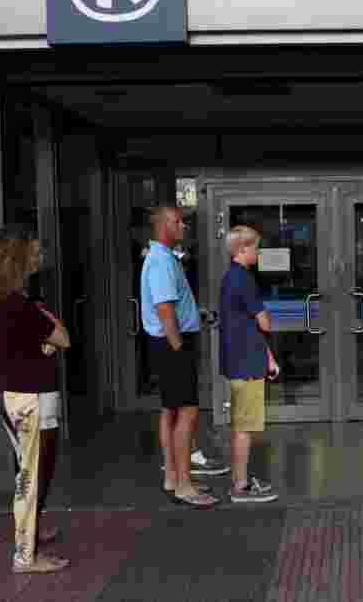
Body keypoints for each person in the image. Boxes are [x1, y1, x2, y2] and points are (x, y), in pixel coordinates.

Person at [0, 225, 71, 573]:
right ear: (17, 259)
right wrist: (46, 337)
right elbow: (62, 337)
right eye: (32, 252)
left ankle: (29, 541)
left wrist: (43, 341)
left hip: (15, 394)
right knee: (33, 475)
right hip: (30, 398)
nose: (38, 256)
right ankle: (25, 556)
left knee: (28, 473)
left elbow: (3, 351)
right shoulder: (21, 304)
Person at [141, 206, 219, 508]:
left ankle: (173, 477)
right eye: (178, 222)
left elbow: (170, 306)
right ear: (164, 226)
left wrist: (194, 316)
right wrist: (178, 346)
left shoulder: (161, 258)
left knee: (169, 410)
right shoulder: (161, 261)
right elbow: (164, 309)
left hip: (167, 343)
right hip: (172, 346)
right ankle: (185, 486)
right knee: (187, 412)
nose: (183, 227)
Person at [219, 225, 280, 503]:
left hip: (242, 361)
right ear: (242, 249)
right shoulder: (243, 279)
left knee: (242, 425)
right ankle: (240, 487)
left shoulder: (231, 278)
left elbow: (247, 327)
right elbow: (263, 322)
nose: (258, 251)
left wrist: (268, 358)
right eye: (255, 247)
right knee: (244, 428)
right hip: (246, 364)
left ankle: (239, 480)